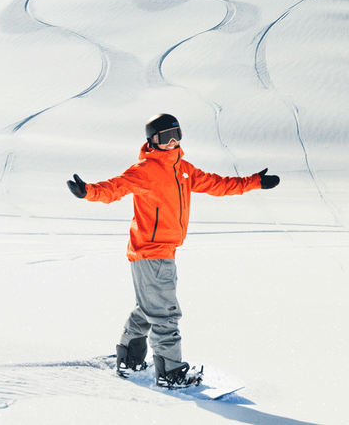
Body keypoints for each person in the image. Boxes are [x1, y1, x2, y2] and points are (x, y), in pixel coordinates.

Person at [67, 113, 280, 388]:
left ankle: (129, 358)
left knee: (148, 309)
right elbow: (115, 188)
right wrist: (88, 191)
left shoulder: (184, 169)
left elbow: (218, 184)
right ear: (151, 141)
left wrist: (254, 182)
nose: (170, 143)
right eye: (164, 138)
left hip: (157, 252)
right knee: (165, 315)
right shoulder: (144, 170)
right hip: (152, 251)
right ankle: (171, 373)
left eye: (175, 135)